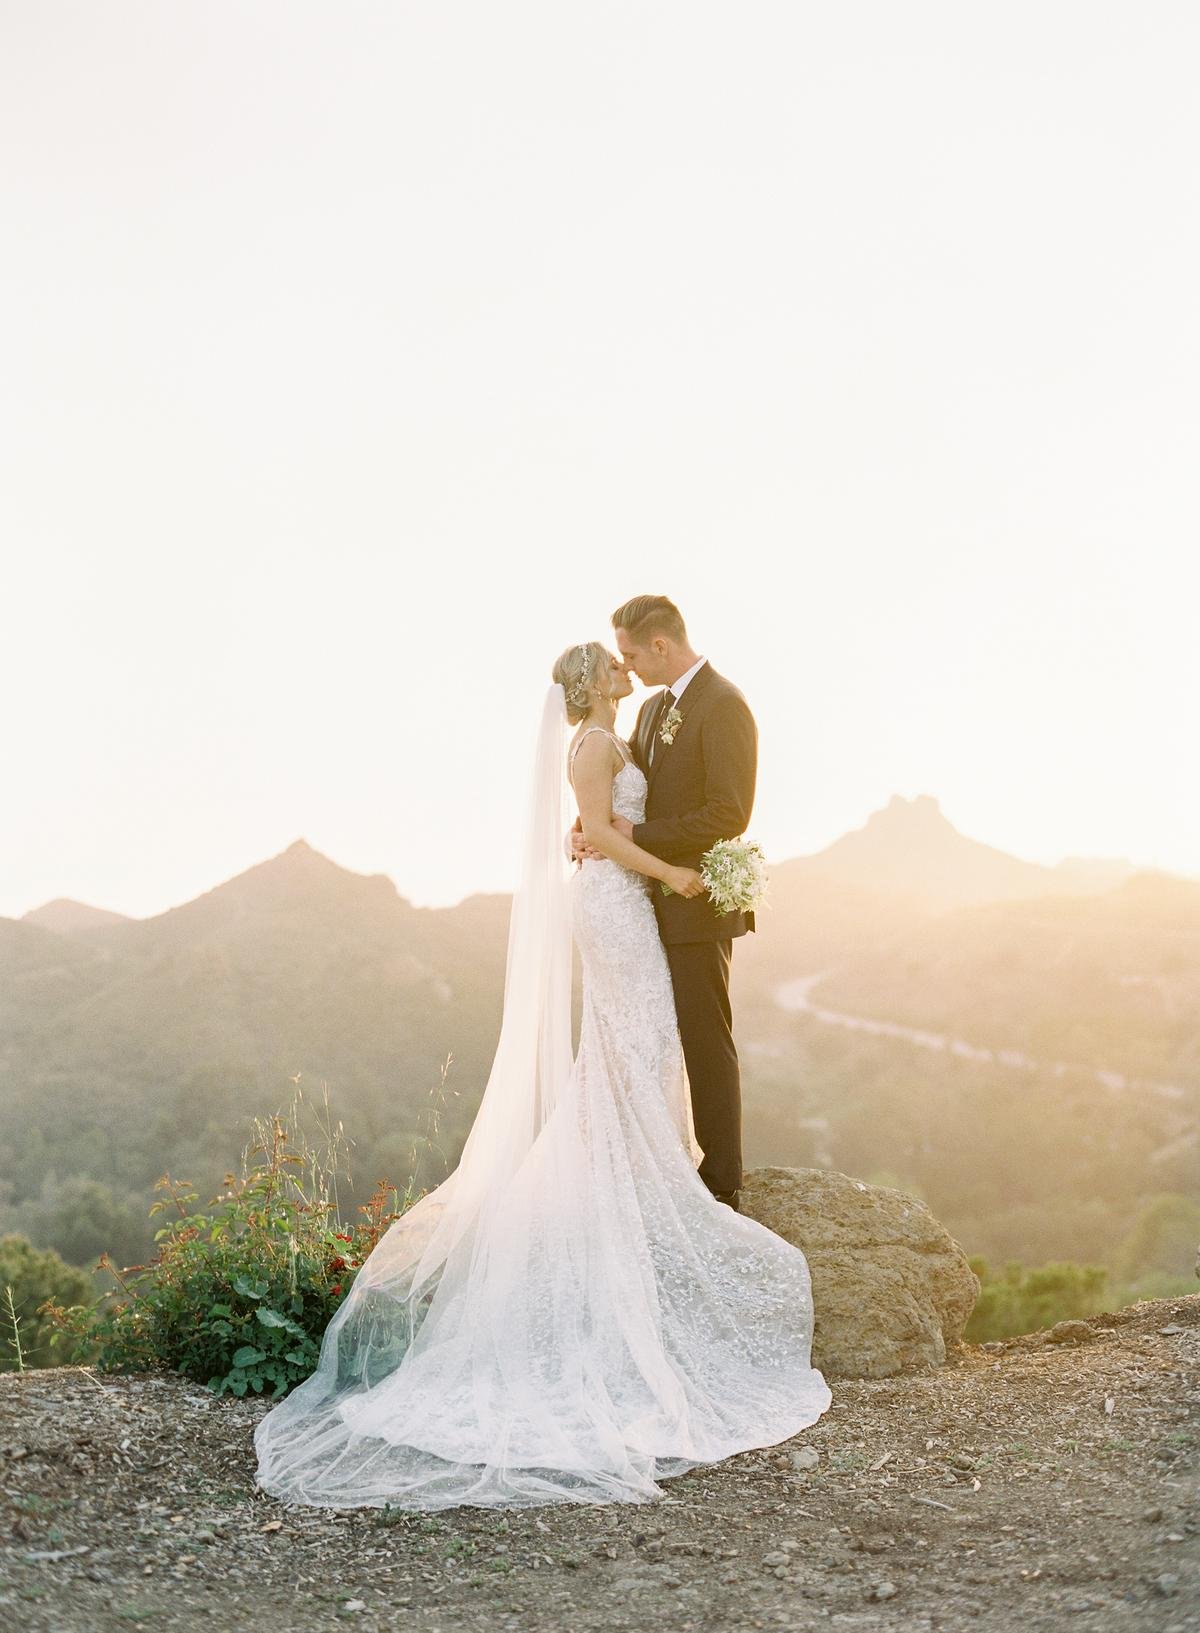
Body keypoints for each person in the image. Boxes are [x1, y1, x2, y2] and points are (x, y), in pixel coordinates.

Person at [252, 641, 830, 1512]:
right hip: (618, 904)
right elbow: (599, 832)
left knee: (639, 1041)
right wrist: (671, 869)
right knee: (637, 1036)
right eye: (615, 662)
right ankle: (641, 1181)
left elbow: (605, 824)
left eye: (630, 653)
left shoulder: (620, 732)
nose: (627, 667)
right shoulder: (596, 745)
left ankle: (636, 1173)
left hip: (621, 899)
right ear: (596, 681)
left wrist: (629, 846)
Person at [572, 594, 755, 1209]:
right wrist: (586, 827)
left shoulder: (724, 705)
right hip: (641, 902)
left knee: (705, 1037)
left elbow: (729, 813)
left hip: (696, 899)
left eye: (630, 653)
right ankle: (651, 1164)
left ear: (660, 645)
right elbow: (623, 793)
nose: (626, 667)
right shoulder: (649, 711)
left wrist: (640, 839)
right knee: (652, 1037)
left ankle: (723, 1182)